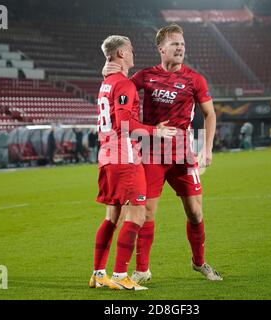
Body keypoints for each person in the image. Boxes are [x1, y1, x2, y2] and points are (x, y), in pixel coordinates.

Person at [103, 24, 222, 283]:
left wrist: (207, 147)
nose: (180, 48)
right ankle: (142, 269)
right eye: (175, 44)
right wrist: (106, 75)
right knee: (145, 213)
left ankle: (199, 262)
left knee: (195, 212)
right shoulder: (145, 76)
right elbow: (119, 88)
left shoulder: (195, 79)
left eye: (182, 44)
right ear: (161, 48)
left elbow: (209, 113)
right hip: (152, 155)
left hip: (183, 156)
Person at [89, 35, 177, 290]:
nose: (133, 53)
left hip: (106, 155)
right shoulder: (124, 84)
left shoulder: (106, 83)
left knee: (112, 216)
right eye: (130, 50)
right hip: (124, 156)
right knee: (137, 214)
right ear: (120, 55)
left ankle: (98, 273)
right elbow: (125, 124)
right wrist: (155, 131)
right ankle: (119, 276)